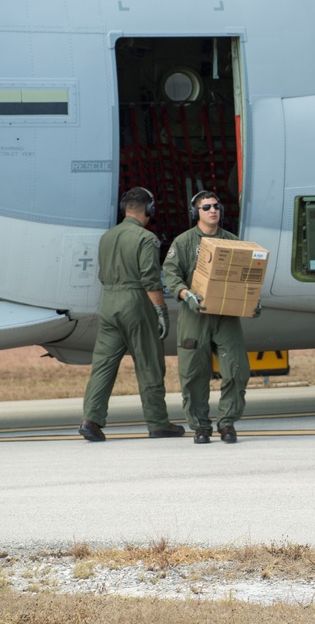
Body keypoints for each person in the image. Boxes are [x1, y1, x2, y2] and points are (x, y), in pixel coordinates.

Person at [78, 187, 186, 442]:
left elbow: (103, 275)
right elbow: (150, 280)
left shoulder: (107, 237)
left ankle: (90, 421)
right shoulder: (146, 239)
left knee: (103, 366)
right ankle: (158, 422)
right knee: (149, 363)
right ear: (149, 210)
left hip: (109, 303)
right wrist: (161, 312)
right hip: (135, 302)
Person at [163, 190, 254, 445]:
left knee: (237, 369)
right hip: (195, 315)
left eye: (216, 206)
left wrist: (251, 301)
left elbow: (245, 277)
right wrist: (185, 293)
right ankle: (200, 426)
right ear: (196, 213)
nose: (212, 210)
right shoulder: (183, 243)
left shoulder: (233, 242)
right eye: (206, 207)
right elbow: (171, 273)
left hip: (225, 316)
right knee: (193, 373)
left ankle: (227, 423)